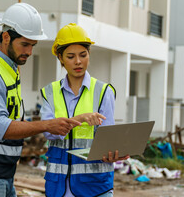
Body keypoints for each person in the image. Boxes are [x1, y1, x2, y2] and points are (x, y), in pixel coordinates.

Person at [0, 3, 82, 197]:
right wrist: (46, 125)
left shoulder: (8, 69)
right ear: (6, 37)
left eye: (33, 46)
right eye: (25, 44)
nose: (29, 52)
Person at [40, 23, 129, 197]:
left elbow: (108, 140)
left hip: (95, 187)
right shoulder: (49, 93)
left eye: (83, 54)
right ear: (60, 58)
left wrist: (113, 154)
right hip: (58, 187)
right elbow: (49, 132)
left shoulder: (104, 92)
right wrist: (81, 118)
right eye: (71, 56)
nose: (78, 61)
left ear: (89, 54)